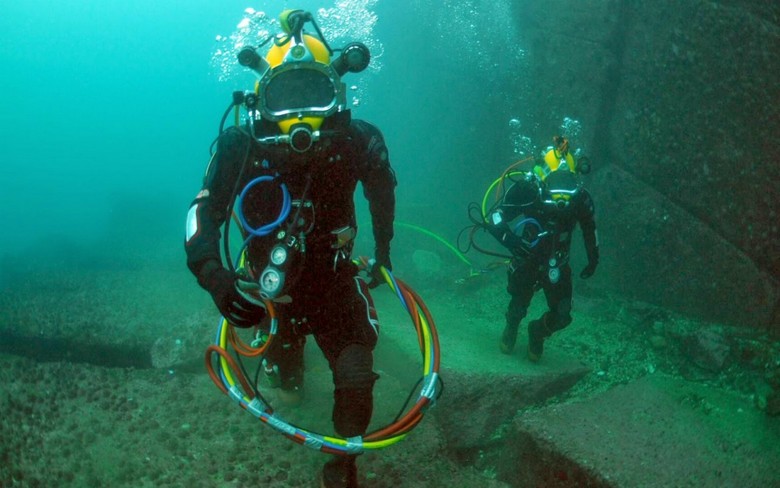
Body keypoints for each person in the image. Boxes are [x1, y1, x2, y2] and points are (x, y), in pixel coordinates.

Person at [184, 10, 396, 487]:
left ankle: (343, 464)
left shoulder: (358, 140)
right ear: (262, 99)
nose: (299, 118)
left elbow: (384, 195)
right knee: (289, 380)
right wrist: (215, 276)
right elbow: (202, 213)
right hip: (269, 286)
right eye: (285, 98)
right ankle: (291, 367)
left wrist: (383, 255)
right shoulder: (240, 145)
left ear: (336, 93)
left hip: (336, 278)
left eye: (313, 94)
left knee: (357, 374)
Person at [485, 136, 598, 361]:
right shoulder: (527, 189)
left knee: (563, 314)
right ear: (542, 178)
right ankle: (512, 326)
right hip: (527, 257)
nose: (561, 200)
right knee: (518, 305)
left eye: (568, 187)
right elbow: (495, 217)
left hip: (557, 261)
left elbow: (589, 228)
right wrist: (513, 241)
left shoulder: (580, 199)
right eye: (556, 188)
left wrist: (593, 258)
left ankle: (537, 331)